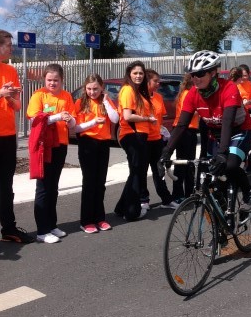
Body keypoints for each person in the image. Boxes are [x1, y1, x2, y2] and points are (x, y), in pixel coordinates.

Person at [160, 50, 251, 214]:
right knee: (213, 175)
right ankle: (224, 219)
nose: (195, 78)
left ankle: (248, 192)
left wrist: (222, 153)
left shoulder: (229, 88)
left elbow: (227, 122)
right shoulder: (193, 93)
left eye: (200, 74)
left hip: (240, 130)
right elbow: (181, 125)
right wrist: (166, 152)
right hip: (216, 133)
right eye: (192, 74)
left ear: (213, 73)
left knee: (230, 165)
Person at [27, 63, 76, 243]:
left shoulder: (66, 96)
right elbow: (35, 118)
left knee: (53, 186)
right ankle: (42, 231)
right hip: (44, 146)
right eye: (49, 80)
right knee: (43, 187)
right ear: (44, 80)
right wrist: (57, 116)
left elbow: (72, 121)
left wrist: (70, 120)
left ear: (62, 80)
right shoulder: (38, 95)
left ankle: (51, 225)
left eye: (56, 80)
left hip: (60, 145)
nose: (52, 83)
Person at [0, 30, 34, 244]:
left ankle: (9, 229)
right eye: (8, 45)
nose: (12, 48)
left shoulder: (10, 70)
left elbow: (18, 106)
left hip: (8, 135)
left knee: (6, 186)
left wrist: (10, 98)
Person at [74, 73, 118, 233]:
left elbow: (115, 119)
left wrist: (105, 100)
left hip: (103, 144)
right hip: (88, 143)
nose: (92, 92)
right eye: (89, 89)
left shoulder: (105, 101)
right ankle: (86, 220)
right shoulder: (80, 102)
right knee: (89, 182)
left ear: (102, 88)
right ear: (85, 89)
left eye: (95, 89)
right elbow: (76, 128)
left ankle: (100, 218)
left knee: (100, 182)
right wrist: (93, 122)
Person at [114, 61, 156, 221]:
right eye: (135, 73)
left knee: (136, 172)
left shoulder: (138, 91)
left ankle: (121, 207)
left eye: (141, 73)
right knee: (138, 172)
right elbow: (127, 116)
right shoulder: (128, 90)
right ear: (129, 74)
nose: (138, 76)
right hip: (132, 135)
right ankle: (132, 211)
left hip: (140, 135)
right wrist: (147, 119)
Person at [141, 69, 177, 211]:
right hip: (144, 140)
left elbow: (160, 119)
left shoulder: (158, 97)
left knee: (159, 171)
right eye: (155, 81)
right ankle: (143, 199)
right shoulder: (140, 98)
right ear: (147, 82)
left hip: (157, 139)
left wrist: (163, 133)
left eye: (158, 81)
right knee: (142, 171)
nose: (158, 83)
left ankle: (166, 199)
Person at [170, 73, 199, 203]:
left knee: (189, 163)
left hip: (190, 130)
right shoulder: (187, 93)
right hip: (183, 130)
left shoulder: (190, 93)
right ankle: (177, 194)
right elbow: (188, 112)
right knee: (182, 163)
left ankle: (189, 192)